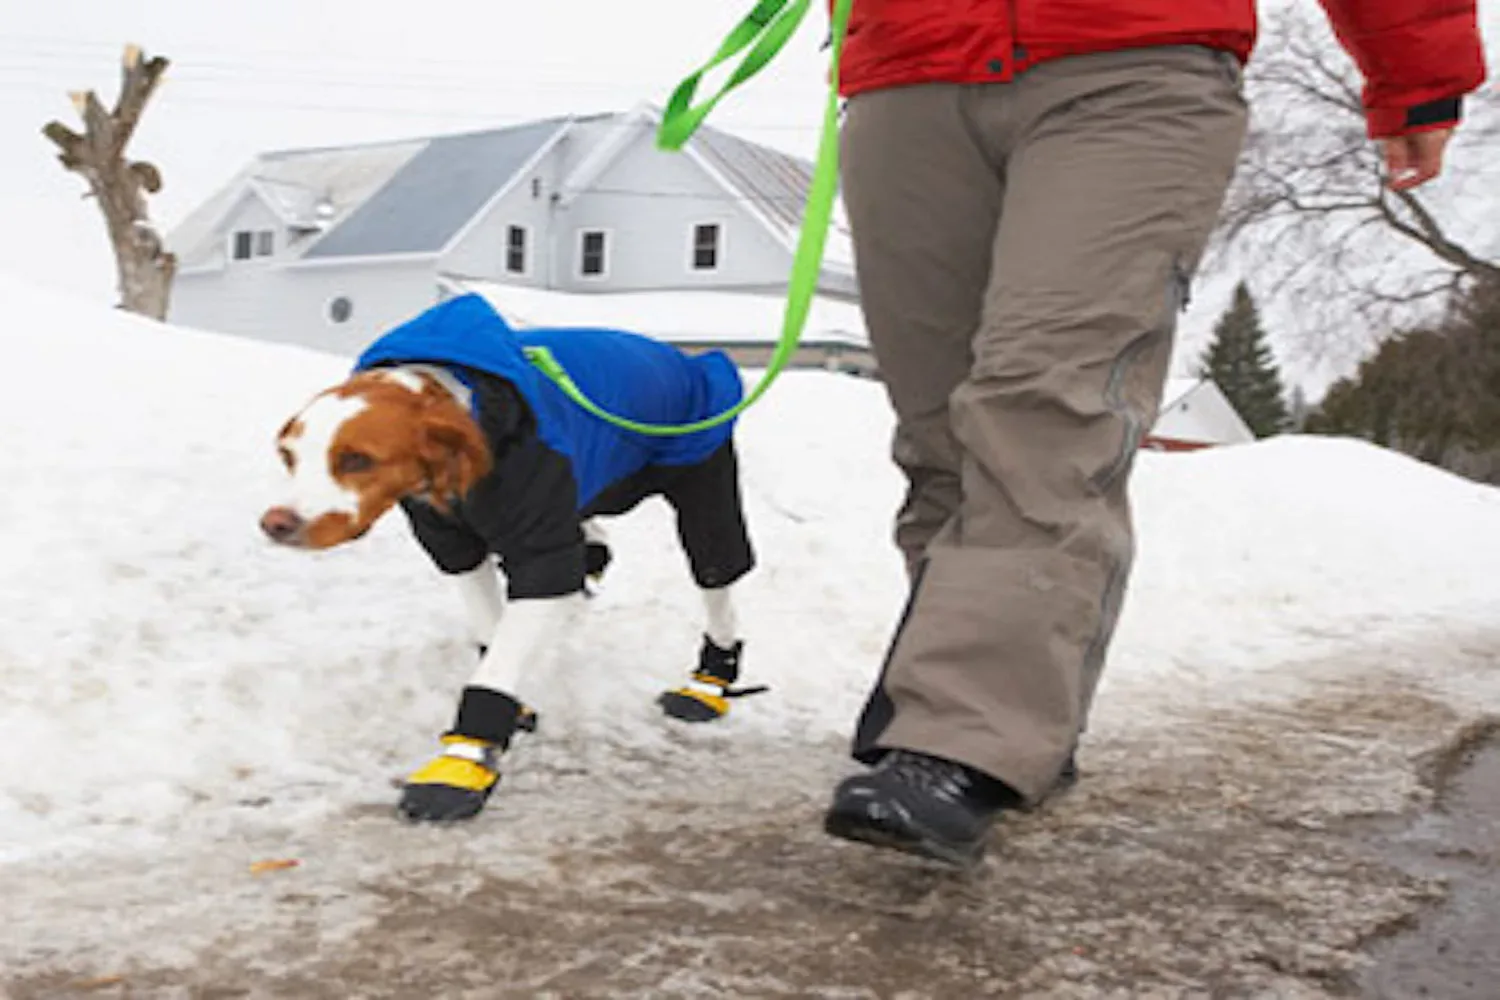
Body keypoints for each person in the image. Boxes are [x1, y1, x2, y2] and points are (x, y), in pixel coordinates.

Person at [820, 0, 1488, 867]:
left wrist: (1417, 78)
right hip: (908, 73)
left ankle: (964, 735)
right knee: (941, 427)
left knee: (1043, 404)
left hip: (1131, 68)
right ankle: (982, 710)